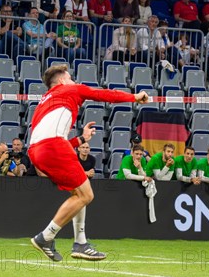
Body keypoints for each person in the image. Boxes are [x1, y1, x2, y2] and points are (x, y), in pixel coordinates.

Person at [29, 64, 148, 262]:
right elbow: (102, 94)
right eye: (70, 77)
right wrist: (134, 97)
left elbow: (48, 140)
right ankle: (46, 236)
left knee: (79, 192)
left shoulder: (45, 102)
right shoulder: (69, 89)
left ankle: (80, 243)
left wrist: (81, 140)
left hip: (37, 151)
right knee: (87, 195)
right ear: (61, 81)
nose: (73, 81)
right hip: (53, 147)